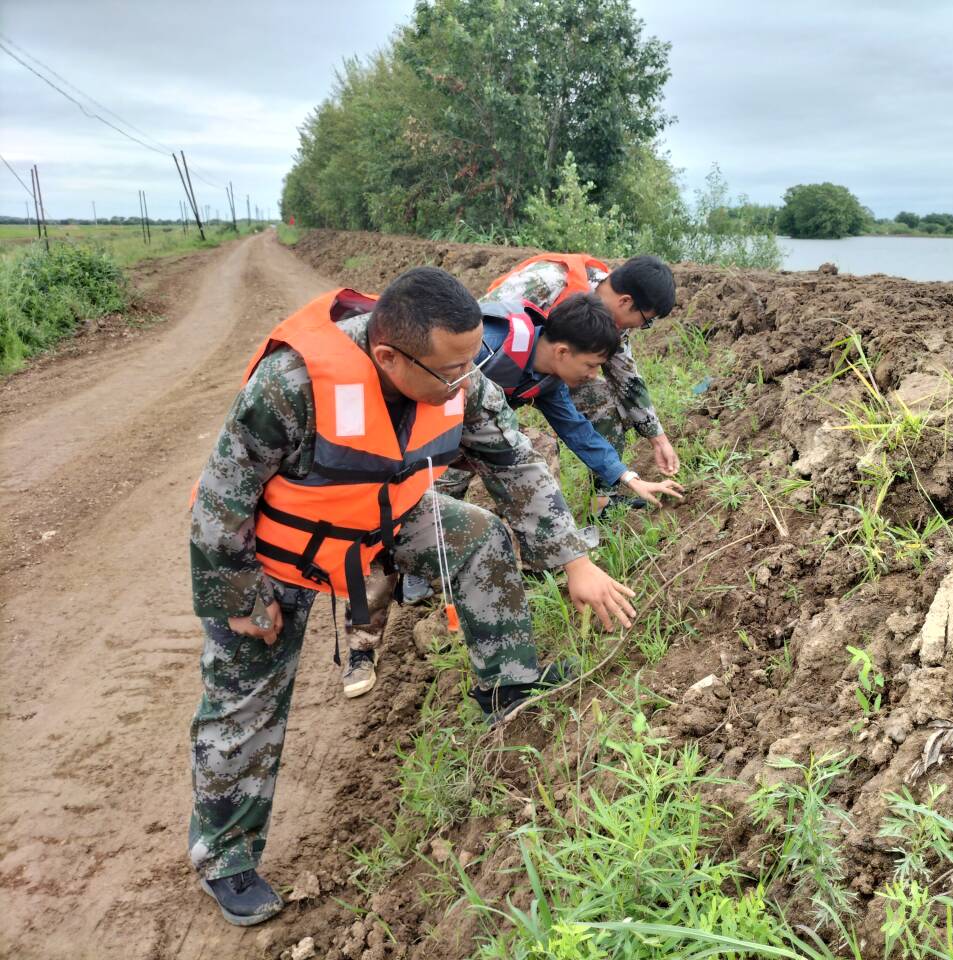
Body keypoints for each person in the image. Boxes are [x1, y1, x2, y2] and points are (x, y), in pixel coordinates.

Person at [187, 268, 635, 926]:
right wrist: (234, 592)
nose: (466, 381)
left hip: (381, 516)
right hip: (276, 548)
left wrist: (574, 558)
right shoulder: (293, 385)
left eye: (468, 365)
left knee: (479, 539)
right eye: (450, 371)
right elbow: (223, 495)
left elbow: (513, 463)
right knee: (245, 698)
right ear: (390, 356)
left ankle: (506, 688)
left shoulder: (461, 376)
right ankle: (225, 855)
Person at [437, 292, 685, 509]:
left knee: (537, 446)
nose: (593, 375)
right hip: (430, 432)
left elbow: (577, 429)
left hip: (470, 431)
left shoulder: (549, 380)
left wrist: (630, 479)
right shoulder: (486, 346)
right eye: (591, 365)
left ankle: (541, 549)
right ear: (563, 352)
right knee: (433, 500)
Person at [484, 253, 680, 507]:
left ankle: (604, 500)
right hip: (488, 371)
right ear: (625, 301)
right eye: (646, 321)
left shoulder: (611, 327)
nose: (641, 327)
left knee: (599, 395)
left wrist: (657, 440)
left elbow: (625, 377)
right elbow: (480, 327)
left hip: (542, 376)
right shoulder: (547, 282)